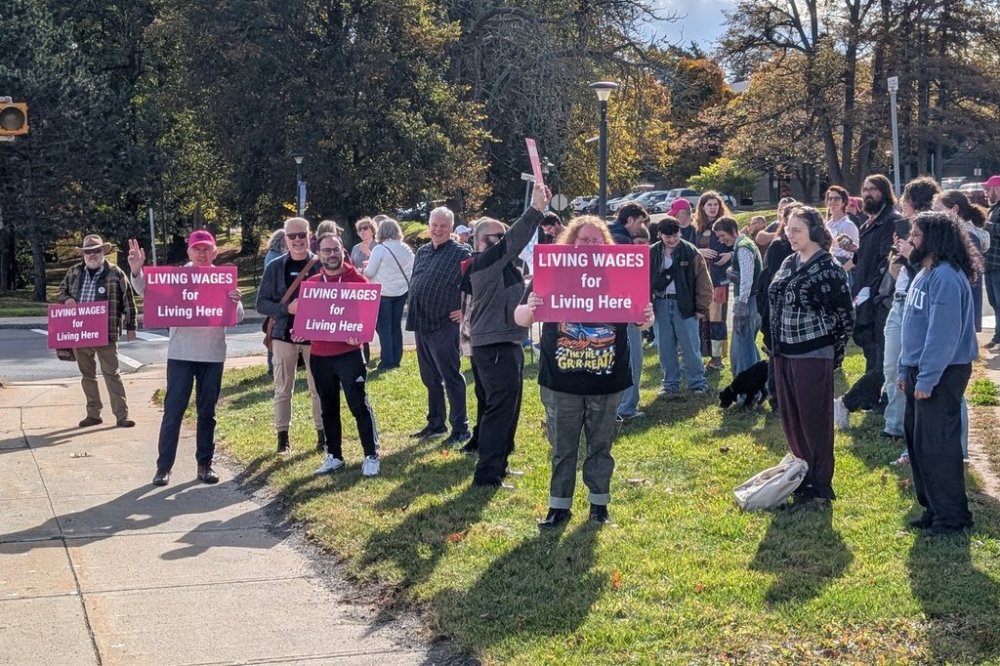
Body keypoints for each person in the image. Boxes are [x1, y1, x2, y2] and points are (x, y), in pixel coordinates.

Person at [514, 216, 654, 527]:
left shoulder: (622, 274)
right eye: (583, 239)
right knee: (562, 449)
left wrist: (647, 316)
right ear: (571, 242)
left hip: (608, 378)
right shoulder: (551, 272)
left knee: (601, 447)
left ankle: (599, 507)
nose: (589, 245)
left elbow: (642, 322)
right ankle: (558, 508)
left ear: (606, 244)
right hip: (561, 379)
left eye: (595, 240)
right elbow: (520, 318)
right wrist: (532, 307)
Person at [127, 231, 244, 486]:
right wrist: (137, 270)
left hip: (212, 354)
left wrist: (236, 300)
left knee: (207, 412)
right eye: (197, 249)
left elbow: (238, 316)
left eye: (207, 249)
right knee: (173, 411)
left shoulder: (224, 278)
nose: (202, 254)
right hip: (181, 354)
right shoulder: (176, 277)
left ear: (215, 252)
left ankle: (205, 465)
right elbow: (146, 290)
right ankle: (163, 468)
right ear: (189, 252)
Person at [462, 184, 551, 486]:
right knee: (499, 409)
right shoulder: (484, 262)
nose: (503, 242)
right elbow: (514, 241)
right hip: (495, 344)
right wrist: (536, 210)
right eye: (497, 238)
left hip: (505, 341)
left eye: (502, 237)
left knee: (506, 407)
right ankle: (488, 475)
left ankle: (499, 463)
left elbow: (518, 298)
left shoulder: (504, 268)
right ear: (481, 241)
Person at [897, 211, 979, 535]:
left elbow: (942, 336)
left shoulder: (945, 277)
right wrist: (906, 368)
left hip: (942, 373)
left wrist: (927, 378)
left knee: (938, 447)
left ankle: (952, 517)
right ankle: (933, 508)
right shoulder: (924, 272)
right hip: (920, 370)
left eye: (916, 235)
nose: (911, 240)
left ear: (934, 239)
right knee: (918, 443)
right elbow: (912, 328)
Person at [768, 206, 854, 507]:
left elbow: (844, 315)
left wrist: (834, 354)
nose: (790, 235)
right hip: (784, 352)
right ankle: (801, 476)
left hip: (814, 354)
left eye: (797, 230)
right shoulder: (789, 261)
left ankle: (819, 485)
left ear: (814, 232)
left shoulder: (828, 268)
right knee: (792, 420)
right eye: (788, 229)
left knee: (814, 420)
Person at [304, 235, 382, 477]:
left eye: (335, 249)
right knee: (328, 407)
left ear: (342, 251)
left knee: (358, 404)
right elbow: (308, 320)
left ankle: (371, 454)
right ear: (319, 254)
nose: (331, 254)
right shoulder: (314, 284)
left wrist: (358, 335)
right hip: (320, 356)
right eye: (326, 251)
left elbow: (368, 319)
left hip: (348, 354)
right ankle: (334, 455)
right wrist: (301, 331)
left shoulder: (358, 280)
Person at [878, 177, 939, 448]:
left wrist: (910, 254)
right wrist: (898, 260)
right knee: (891, 366)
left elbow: (927, 273)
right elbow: (897, 272)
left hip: (915, 305)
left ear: (913, 201)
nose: (902, 206)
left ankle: (909, 427)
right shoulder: (906, 231)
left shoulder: (932, 233)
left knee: (910, 366)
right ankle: (894, 424)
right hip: (899, 299)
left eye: (905, 201)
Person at [256, 217, 324, 454]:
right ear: (285, 239)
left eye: (301, 235)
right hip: (283, 334)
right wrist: (287, 309)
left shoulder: (320, 265)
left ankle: (322, 435)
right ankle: (282, 437)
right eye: (292, 236)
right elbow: (261, 303)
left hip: (315, 337)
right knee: (283, 388)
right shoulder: (275, 267)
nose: (297, 240)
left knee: (319, 388)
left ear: (309, 236)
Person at [57, 234, 138, 429]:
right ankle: (93, 414)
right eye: (88, 252)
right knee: (87, 376)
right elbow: (61, 292)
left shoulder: (115, 273)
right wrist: (66, 299)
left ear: (103, 252)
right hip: (80, 332)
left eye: (96, 251)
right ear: (83, 254)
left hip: (107, 332)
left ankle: (122, 416)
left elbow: (128, 300)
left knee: (112, 374)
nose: (93, 255)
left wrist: (131, 326)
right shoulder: (74, 272)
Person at [406, 206, 472, 445]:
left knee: (450, 376)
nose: (438, 229)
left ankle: (461, 427)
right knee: (429, 377)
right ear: (429, 225)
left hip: (444, 323)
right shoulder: (423, 251)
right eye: (435, 224)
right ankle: (436, 423)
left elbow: (474, 284)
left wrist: (464, 310)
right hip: (421, 322)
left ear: (451, 228)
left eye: (443, 225)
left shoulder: (462, 252)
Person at [837, 175, 902, 414]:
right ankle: (870, 399)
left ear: (884, 192)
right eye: (865, 189)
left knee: (880, 353)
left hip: (879, 296)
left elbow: (886, 261)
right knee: (868, 346)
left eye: (873, 189)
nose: (867, 194)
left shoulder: (891, 221)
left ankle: (874, 400)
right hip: (863, 294)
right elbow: (866, 256)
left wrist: (872, 291)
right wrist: (854, 250)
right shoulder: (869, 221)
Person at [648, 217, 712, 397]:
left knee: (690, 345)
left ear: (680, 233)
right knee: (664, 346)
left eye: (675, 236)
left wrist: (701, 307)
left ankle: (698, 383)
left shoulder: (691, 252)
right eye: (667, 236)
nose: (672, 240)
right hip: (660, 303)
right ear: (660, 235)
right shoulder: (652, 253)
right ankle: (670, 384)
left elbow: (704, 282)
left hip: (684, 304)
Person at [608, 202, 650, 422]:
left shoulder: (604, 234)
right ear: (631, 219)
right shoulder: (622, 241)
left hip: (604, 310)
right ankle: (627, 407)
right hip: (624, 309)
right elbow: (629, 280)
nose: (639, 228)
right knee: (632, 357)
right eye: (640, 222)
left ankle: (612, 407)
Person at [714, 216, 763, 376]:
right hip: (753, 301)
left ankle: (747, 390)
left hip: (749, 303)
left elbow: (747, 278)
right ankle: (759, 385)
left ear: (732, 230)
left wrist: (741, 304)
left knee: (741, 350)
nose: (721, 240)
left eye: (722, 235)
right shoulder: (745, 245)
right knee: (748, 345)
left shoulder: (743, 247)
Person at [934, 190, 988, 331]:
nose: (934, 215)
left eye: (938, 210)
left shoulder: (968, 236)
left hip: (960, 315)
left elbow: (971, 282)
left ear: (954, 210)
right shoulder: (950, 235)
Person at [363, 217, 413, 370]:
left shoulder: (380, 249)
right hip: (401, 291)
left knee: (384, 327)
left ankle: (386, 361)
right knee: (395, 326)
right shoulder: (406, 248)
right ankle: (396, 359)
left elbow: (370, 272)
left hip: (383, 292)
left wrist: (363, 269)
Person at [694, 191, 733, 371]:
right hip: (700, 281)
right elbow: (687, 249)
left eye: (715, 205)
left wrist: (730, 255)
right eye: (709, 205)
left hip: (719, 280)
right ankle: (701, 354)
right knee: (701, 319)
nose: (712, 208)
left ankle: (717, 359)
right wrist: (699, 252)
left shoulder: (727, 225)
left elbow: (740, 244)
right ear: (702, 207)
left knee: (717, 320)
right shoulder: (697, 228)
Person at [264, 228, 286, 376]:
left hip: (275, 300)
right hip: (277, 301)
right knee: (275, 333)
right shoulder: (275, 258)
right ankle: (273, 367)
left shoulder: (271, 255)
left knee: (274, 332)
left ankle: (274, 366)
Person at [825, 185, 860, 276]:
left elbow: (856, 257)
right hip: (829, 265)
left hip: (844, 268)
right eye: (830, 199)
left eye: (836, 199)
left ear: (844, 202)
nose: (832, 201)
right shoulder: (828, 225)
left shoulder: (848, 225)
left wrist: (841, 272)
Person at [981, 175, 1000, 348]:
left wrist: (987, 226)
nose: (986, 193)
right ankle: (997, 336)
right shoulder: (994, 209)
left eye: (989, 189)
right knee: (994, 302)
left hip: (998, 264)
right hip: (992, 263)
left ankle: (997, 337)